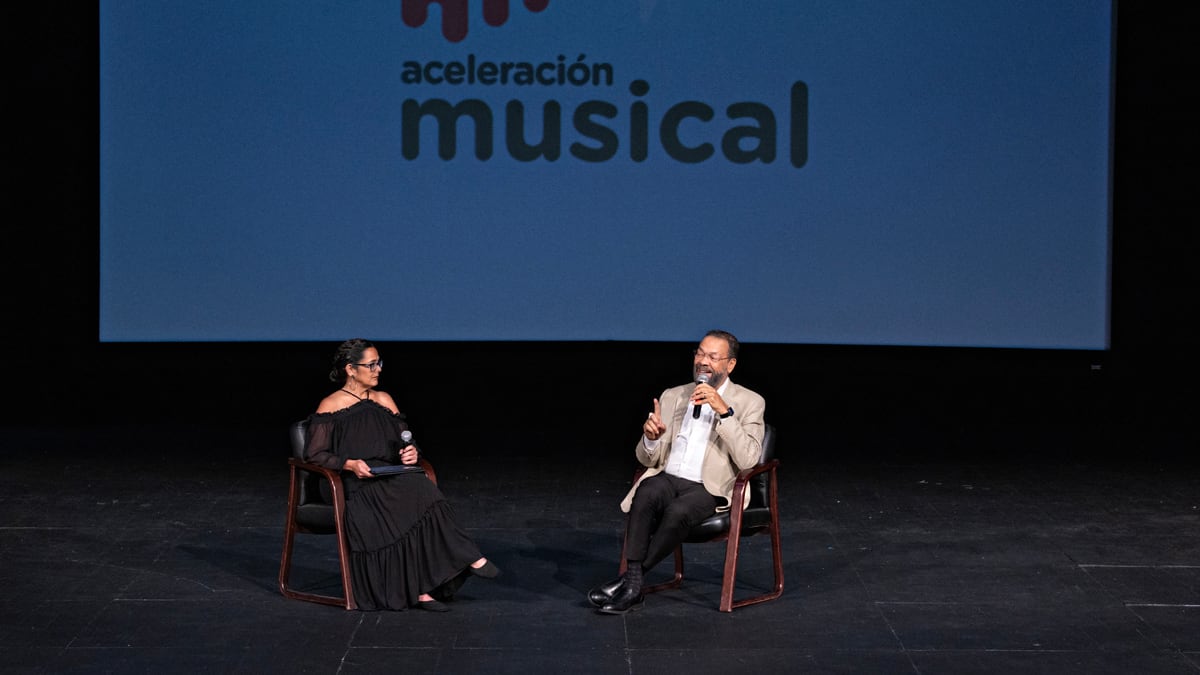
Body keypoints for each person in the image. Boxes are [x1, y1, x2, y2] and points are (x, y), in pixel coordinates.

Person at [303, 338, 500, 611]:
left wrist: (411, 454)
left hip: (387, 472)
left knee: (423, 488)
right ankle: (427, 585)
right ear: (350, 369)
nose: (378, 369)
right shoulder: (331, 404)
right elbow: (315, 454)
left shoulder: (384, 399)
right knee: (398, 498)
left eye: (379, 363)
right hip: (352, 478)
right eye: (371, 364)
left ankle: (433, 581)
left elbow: (405, 441)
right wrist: (350, 464)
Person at [589, 329, 766, 615]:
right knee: (646, 492)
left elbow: (749, 459)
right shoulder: (674, 395)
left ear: (730, 364)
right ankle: (633, 585)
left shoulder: (749, 402)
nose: (703, 361)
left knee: (679, 512)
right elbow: (647, 458)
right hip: (669, 477)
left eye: (712, 356)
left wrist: (724, 412)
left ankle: (631, 582)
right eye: (699, 353)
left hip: (708, 487)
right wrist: (651, 438)